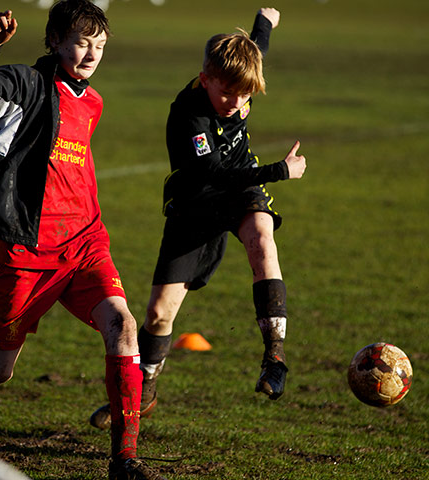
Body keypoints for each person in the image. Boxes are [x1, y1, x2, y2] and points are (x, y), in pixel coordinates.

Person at [0, 3, 166, 479]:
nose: (91, 54)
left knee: (124, 327)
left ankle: (125, 459)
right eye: (82, 42)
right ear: (53, 41)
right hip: (28, 251)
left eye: (101, 46)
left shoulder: (94, 102)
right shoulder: (27, 85)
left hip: (86, 243)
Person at [90, 7, 306, 429]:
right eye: (228, 93)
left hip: (242, 186)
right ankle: (145, 392)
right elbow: (211, 174)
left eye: (246, 95)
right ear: (205, 78)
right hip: (199, 198)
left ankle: (274, 356)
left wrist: (265, 22)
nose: (237, 103)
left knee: (262, 235)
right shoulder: (189, 113)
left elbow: (254, 53)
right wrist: (280, 171)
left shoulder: (236, 79)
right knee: (157, 315)